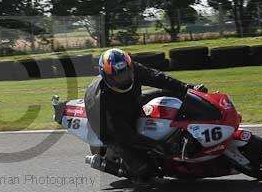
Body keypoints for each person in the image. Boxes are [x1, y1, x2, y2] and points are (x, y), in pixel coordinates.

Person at [84, 48, 206, 181]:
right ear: (107, 76)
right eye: (118, 76)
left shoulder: (134, 69)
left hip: (131, 102)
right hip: (111, 129)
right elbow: (126, 136)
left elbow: (158, 77)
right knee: (145, 171)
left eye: (125, 72)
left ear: (130, 67)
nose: (123, 78)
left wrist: (188, 87)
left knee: (168, 92)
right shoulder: (105, 101)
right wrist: (157, 145)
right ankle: (119, 168)